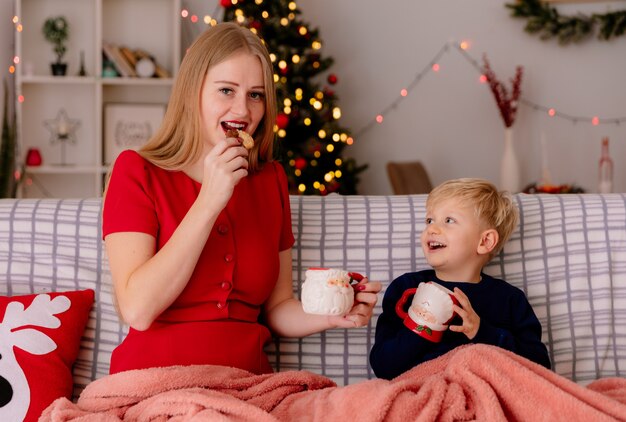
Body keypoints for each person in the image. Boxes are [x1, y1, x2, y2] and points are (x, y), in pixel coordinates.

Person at [102, 22, 381, 375]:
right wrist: (209, 201)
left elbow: (278, 308)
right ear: (193, 92)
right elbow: (138, 310)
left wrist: (334, 311)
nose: (243, 111)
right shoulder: (137, 171)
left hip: (248, 386)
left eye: (256, 95)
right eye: (226, 90)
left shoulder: (269, 181)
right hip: (154, 383)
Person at [369, 178, 550, 380]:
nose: (432, 229)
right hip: (422, 392)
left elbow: (539, 367)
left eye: (449, 221)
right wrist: (421, 325)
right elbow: (383, 367)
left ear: (485, 241)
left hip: (484, 394)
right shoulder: (406, 289)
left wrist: (481, 331)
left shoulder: (509, 300)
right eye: (429, 220)